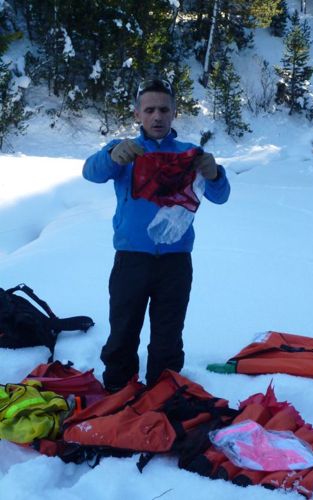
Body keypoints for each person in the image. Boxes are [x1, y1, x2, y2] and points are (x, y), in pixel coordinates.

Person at [82, 77, 230, 391]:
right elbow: (91, 173)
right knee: (123, 330)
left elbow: (220, 195)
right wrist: (110, 156)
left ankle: (163, 394)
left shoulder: (190, 153)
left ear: (174, 113)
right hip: (131, 259)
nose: (157, 116)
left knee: (168, 334)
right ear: (137, 114)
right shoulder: (126, 151)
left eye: (164, 109)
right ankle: (117, 392)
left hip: (175, 262)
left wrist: (214, 172)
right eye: (149, 110)